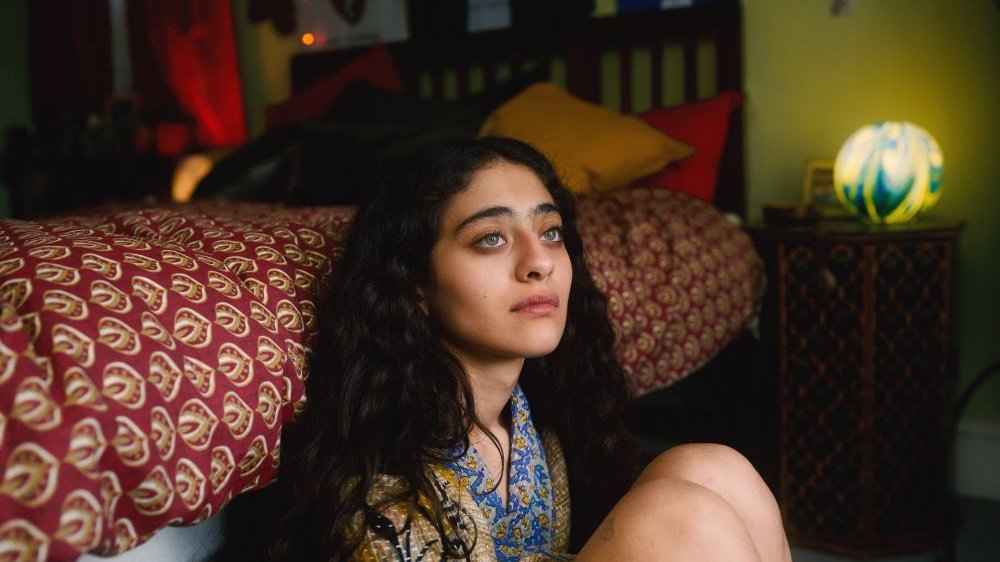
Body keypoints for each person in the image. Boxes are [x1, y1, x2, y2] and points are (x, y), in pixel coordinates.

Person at [264, 136, 791, 561]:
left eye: (551, 232)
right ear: (414, 285)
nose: (538, 261)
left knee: (712, 466)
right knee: (678, 516)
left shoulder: (538, 416)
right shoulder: (384, 487)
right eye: (491, 237)